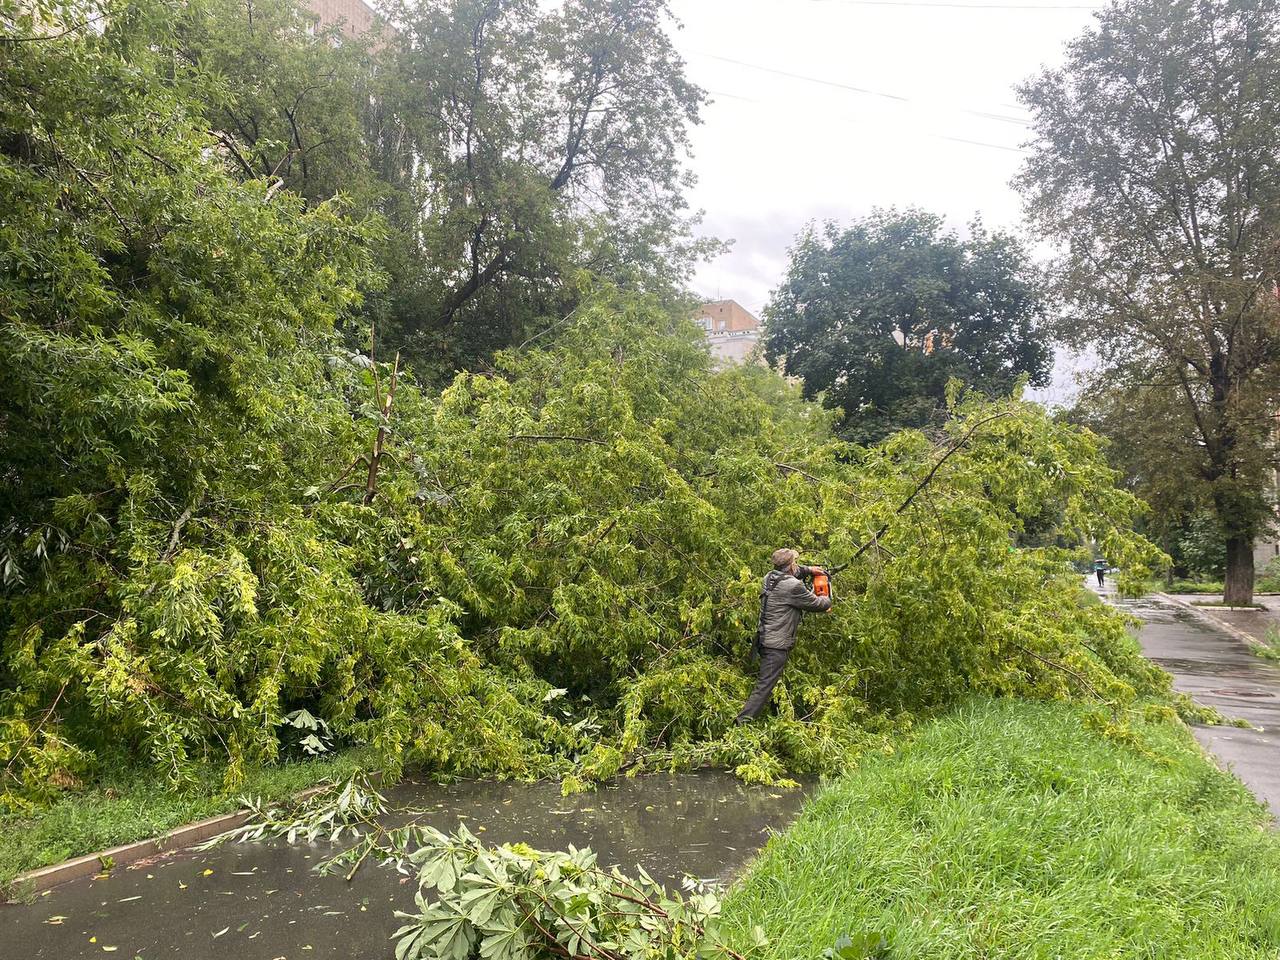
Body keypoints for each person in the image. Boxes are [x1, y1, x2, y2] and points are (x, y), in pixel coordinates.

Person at [736, 548, 832, 724]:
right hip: (776, 646)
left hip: (764, 639)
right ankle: (740, 724)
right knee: (764, 686)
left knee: (774, 681)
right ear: (790, 565)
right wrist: (826, 592)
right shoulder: (793, 586)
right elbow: (819, 604)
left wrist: (811, 570)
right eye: (795, 561)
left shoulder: (769, 578)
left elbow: (795, 572)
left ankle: (777, 718)